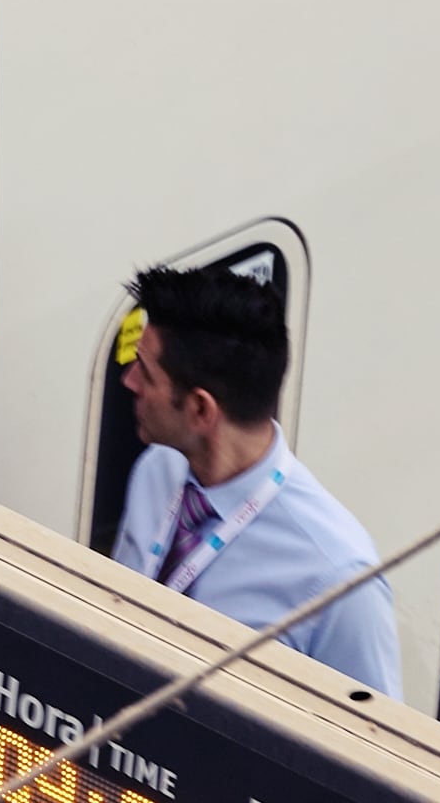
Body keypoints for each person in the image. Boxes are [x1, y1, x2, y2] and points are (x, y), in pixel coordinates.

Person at [114, 264, 402, 701]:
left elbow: (374, 752)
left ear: (200, 411)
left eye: (145, 373)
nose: (128, 382)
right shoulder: (155, 471)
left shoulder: (339, 580)